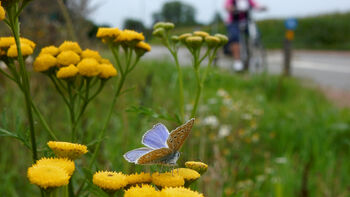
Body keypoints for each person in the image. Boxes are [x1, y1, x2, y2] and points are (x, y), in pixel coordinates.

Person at [225, 0, 264, 71]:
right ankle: (237, 61)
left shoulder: (248, 1)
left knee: (256, 34)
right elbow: (227, 7)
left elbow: (256, 5)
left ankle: (255, 54)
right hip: (234, 22)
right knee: (235, 37)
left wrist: (261, 8)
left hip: (247, 22)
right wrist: (234, 8)